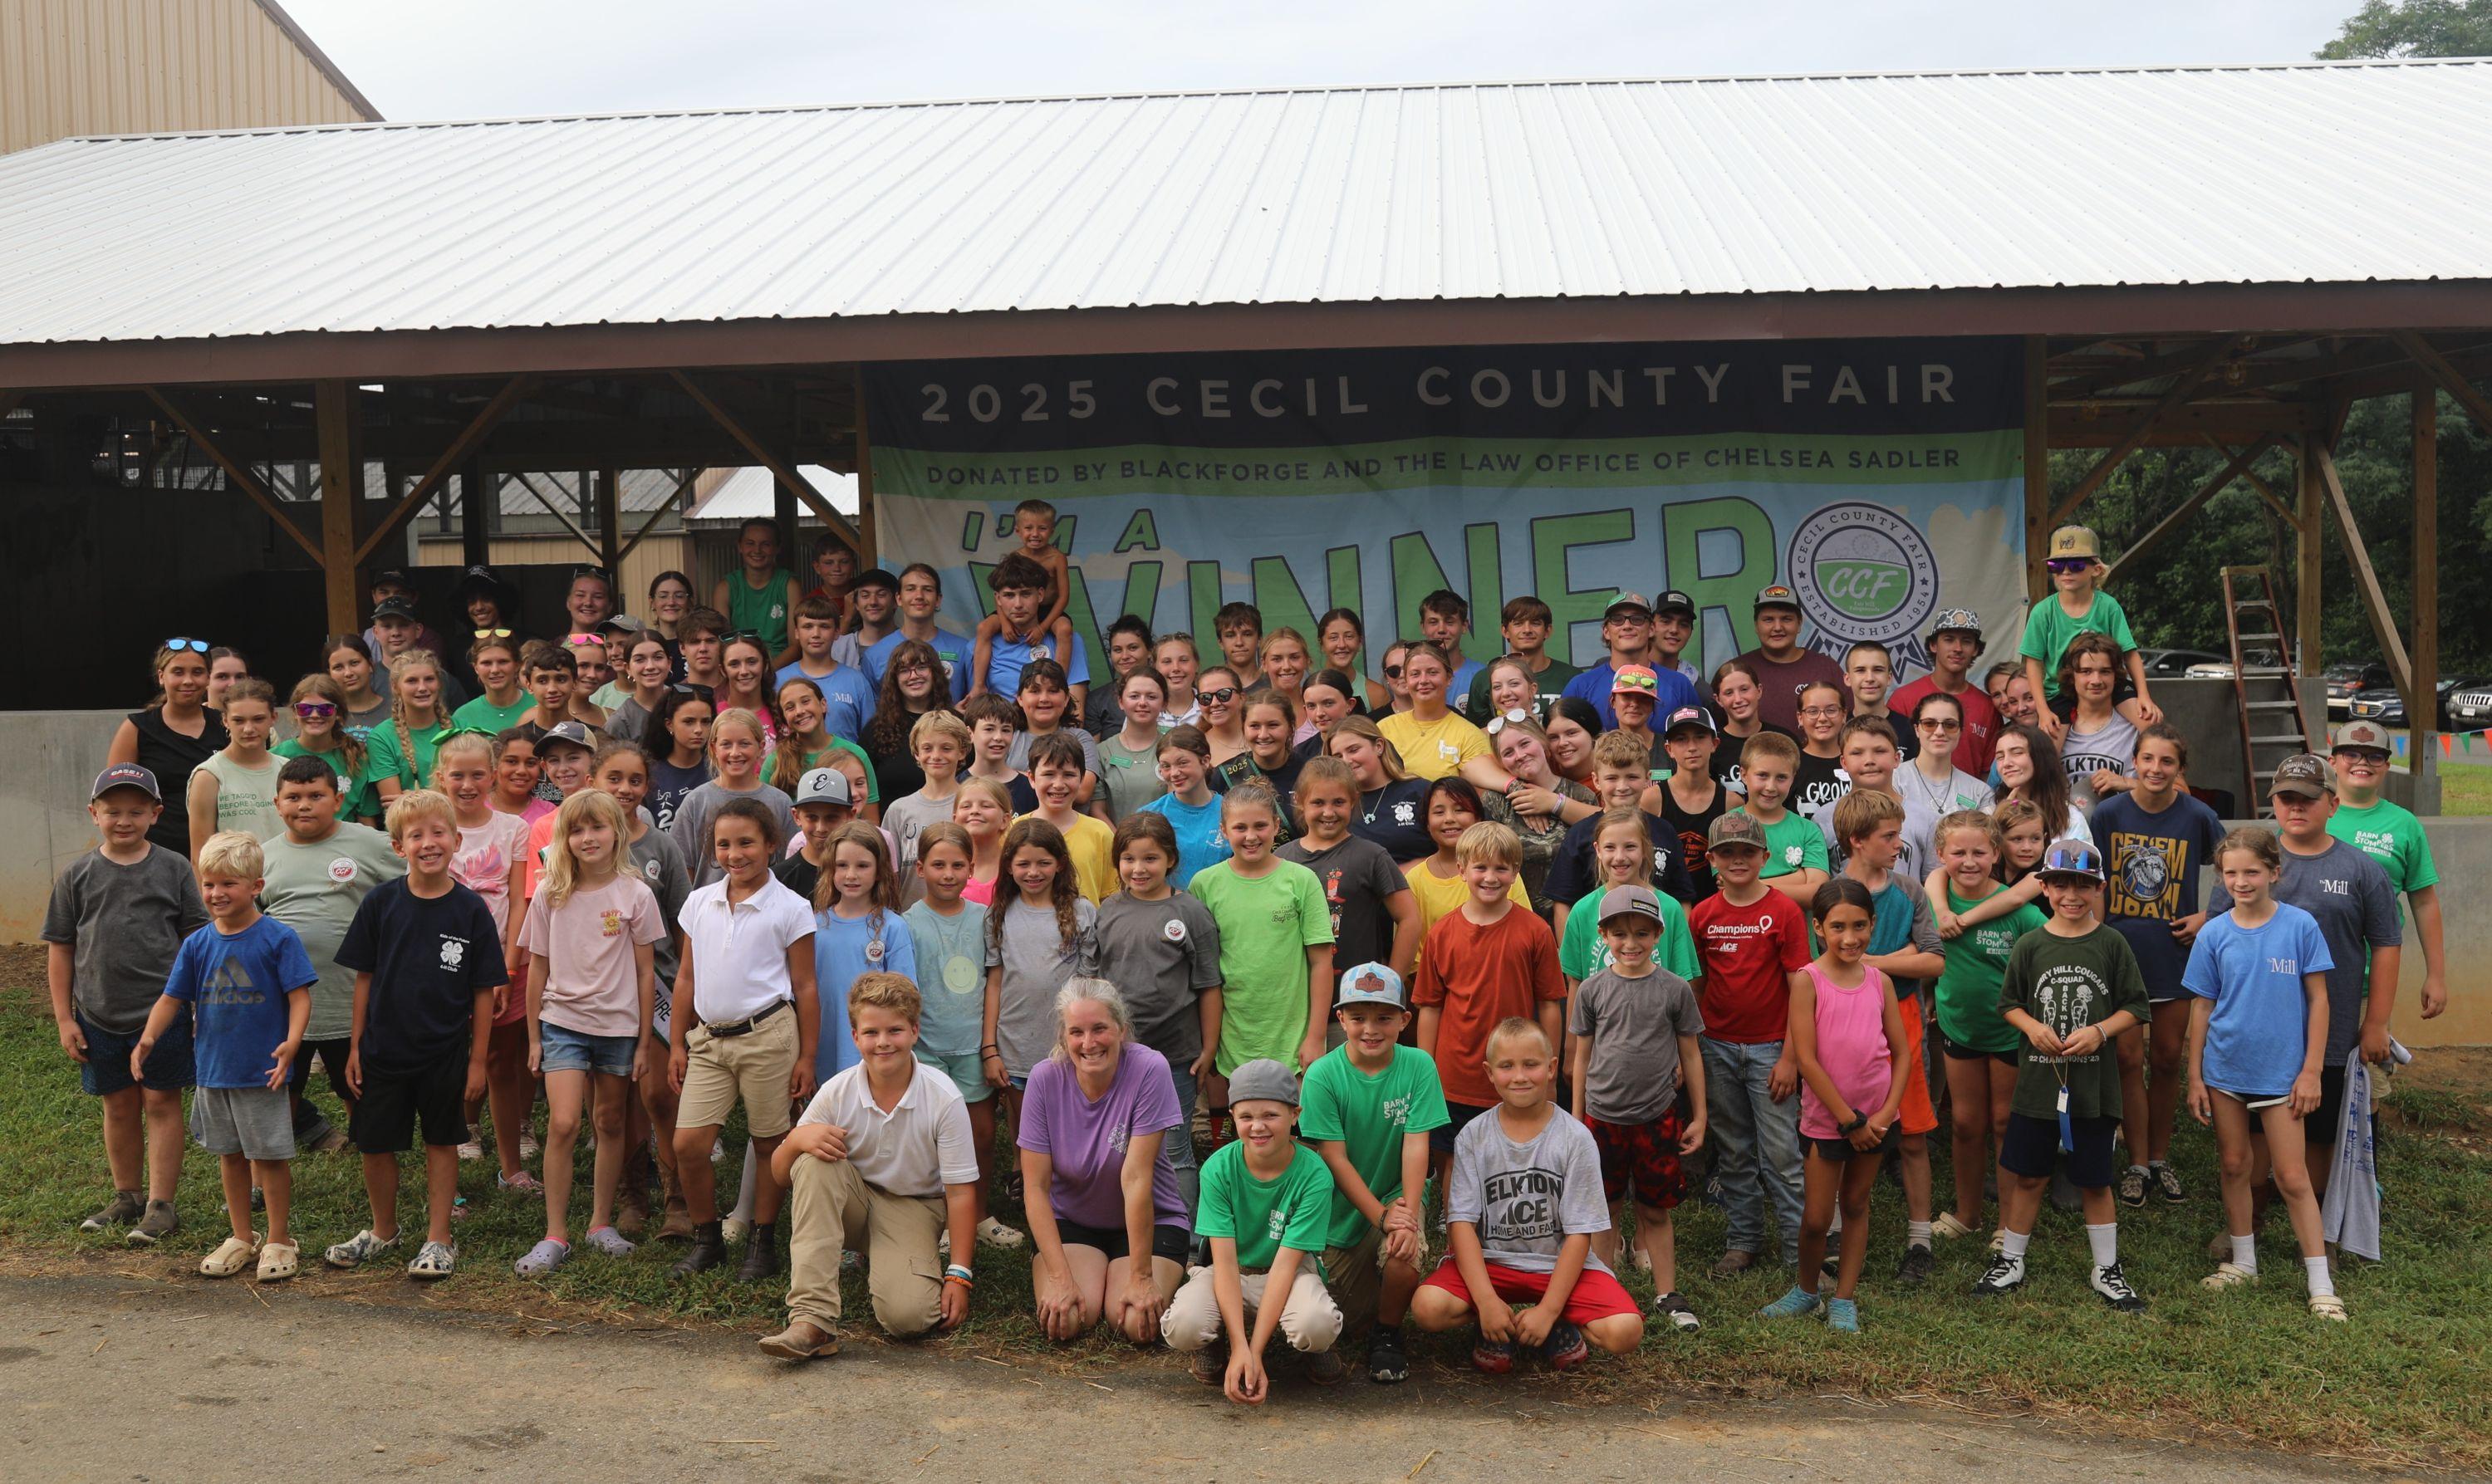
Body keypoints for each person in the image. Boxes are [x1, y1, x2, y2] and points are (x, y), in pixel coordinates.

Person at [322, 789, 504, 1279]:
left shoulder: (470, 911)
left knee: (441, 1142)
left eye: (438, 832)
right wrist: (356, 1046)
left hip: (445, 1052)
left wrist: (477, 1060)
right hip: (382, 1049)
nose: (428, 843)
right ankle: (383, 1231)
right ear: (398, 846)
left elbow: (485, 990)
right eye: (415, 835)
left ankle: (439, 1238)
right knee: (375, 1143)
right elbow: (363, 978)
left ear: (456, 839)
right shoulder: (381, 903)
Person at [758, 971, 982, 1360]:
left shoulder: (944, 1098)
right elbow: (781, 1175)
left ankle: (888, 1259)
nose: (883, 1042)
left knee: (909, 1318)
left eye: (895, 1030)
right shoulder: (837, 1090)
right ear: (855, 1035)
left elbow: (961, 1193)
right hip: (853, 1201)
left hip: (914, 1206)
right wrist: (795, 1140)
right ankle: (812, 1320)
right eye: (871, 1032)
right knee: (813, 1162)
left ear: (914, 1030)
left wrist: (959, 1274)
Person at [1974, 839, 2150, 1313]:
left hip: (2093, 1087)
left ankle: (2106, 1269)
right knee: (2028, 1176)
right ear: (2045, 888)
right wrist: (2031, 1027)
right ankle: (2011, 1260)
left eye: (2083, 885)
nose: (2072, 894)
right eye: (2061, 884)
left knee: (2095, 1181)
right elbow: (2009, 1003)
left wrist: (2099, 1031)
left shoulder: (2112, 943)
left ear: (2098, 889)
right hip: (2037, 1085)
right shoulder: (2031, 944)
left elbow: (2135, 1005)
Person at [1408, 1018, 1643, 1371]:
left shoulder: (1575, 1138)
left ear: (1550, 1069)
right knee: (1428, 1307)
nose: (1519, 1076)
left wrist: (1549, 1310)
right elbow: (1461, 1225)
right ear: (1489, 1073)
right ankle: (1493, 1325)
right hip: (1492, 1262)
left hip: (1559, 1266)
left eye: (1530, 1065)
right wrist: (1486, 1301)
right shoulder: (1473, 1136)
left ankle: (1559, 1323)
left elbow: (1581, 1234)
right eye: (1507, 1066)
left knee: (1625, 1331)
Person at [133, 830, 315, 1281]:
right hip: (214, 1071)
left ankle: (278, 1239)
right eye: (209, 883)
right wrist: (148, 1038)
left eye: (229, 884)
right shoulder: (197, 944)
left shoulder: (278, 938)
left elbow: (300, 996)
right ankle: (241, 1236)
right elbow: (172, 998)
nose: (216, 893)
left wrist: (293, 1042)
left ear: (256, 886)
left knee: (268, 1157)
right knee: (229, 1155)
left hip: (263, 1071)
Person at [46, 763, 209, 1246]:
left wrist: (196, 1006)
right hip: (98, 1014)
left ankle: (162, 1205)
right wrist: (63, 1017)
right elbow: (61, 947)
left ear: (156, 814)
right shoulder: (76, 874)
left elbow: (196, 938)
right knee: (117, 1106)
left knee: (161, 1101)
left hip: (163, 1011)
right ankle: (127, 1196)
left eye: (136, 811)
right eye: (112, 811)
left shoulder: (175, 867)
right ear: (93, 813)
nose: (123, 820)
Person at [2185, 827, 2342, 1319]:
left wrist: (2311, 1071)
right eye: (2231, 873)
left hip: (2283, 1075)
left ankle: (2320, 1283)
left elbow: (2319, 1001)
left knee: (2292, 1177)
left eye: (2251, 871)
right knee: (2235, 1165)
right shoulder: (2213, 932)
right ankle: (2243, 1261)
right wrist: (2195, 1076)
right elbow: (2202, 1007)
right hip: (2225, 1070)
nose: (2241, 881)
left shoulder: (2300, 927)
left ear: (2275, 872)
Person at [515, 790, 665, 1276]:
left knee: (610, 1121)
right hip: (562, 1022)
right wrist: (535, 1036)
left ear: (616, 832)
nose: (587, 838)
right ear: (564, 837)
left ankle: (601, 1223)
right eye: (577, 830)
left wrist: (644, 1042)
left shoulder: (636, 894)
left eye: (597, 827)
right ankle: (554, 1233)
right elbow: (537, 967)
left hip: (619, 1027)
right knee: (563, 1124)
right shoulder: (549, 892)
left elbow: (647, 972)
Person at [667, 799, 819, 1277]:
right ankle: (707, 1239)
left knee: (770, 1142)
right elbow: (686, 977)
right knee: (689, 1144)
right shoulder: (700, 901)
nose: (735, 854)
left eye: (747, 842)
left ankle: (763, 1239)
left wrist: (807, 1057)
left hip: (768, 1036)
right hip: (709, 1041)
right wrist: (676, 1042)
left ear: (772, 845)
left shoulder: (791, 908)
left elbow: (806, 986)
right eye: (724, 844)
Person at [1754, 879, 1906, 1332]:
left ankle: (1843, 1297)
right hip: (1830, 1123)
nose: (1850, 937)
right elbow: (1806, 1058)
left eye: (1860, 926)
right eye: (1838, 927)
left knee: (1857, 1204)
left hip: (1877, 1121)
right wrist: (1849, 1121)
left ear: (1873, 924)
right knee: (1818, 1217)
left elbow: (1901, 1053)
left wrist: (1882, 1115)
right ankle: (1805, 1289)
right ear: (1818, 927)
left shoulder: (1881, 981)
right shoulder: (1808, 980)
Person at [2088, 723, 2228, 1207]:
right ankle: (2137, 1162)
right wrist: (2096, 937)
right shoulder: (2108, 814)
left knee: (2167, 1058)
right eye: (2147, 759)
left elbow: (2235, 868)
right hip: (2121, 956)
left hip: (2175, 955)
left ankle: (2162, 1157)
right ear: (2134, 762)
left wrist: (2208, 916)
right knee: (2128, 1058)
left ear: (2180, 770)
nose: (2155, 769)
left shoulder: (2198, 816)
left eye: (2167, 762)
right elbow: (2093, 882)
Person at [1567, 884, 1708, 1332]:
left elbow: (1690, 1054)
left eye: (1643, 934)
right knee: (1604, 1207)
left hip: (1657, 1116)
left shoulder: (1674, 990)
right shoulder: (1591, 991)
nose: (1631, 944)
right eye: (1621, 934)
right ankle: (1605, 1290)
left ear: (1658, 935)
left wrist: (1700, 1115)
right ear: (1604, 935)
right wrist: (1574, 1120)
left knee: (1655, 1209)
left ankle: (1667, 1293)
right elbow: (1581, 1058)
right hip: (1601, 1118)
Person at [1019, 981, 1191, 1343]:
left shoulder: (1149, 1069)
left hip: (1152, 1219)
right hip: (1073, 1220)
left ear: (1121, 1030)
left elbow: (1136, 1178)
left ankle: (1155, 1271)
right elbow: (1035, 1187)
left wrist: (1142, 1278)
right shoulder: (1043, 1080)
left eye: (1100, 1029)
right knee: (1067, 1319)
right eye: (1076, 1032)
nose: (1089, 1042)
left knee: (1132, 1323)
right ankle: (1093, 1274)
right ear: (1064, 1038)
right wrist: (1060, 1279)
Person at [1163, 1057, 1347, 1396]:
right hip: (1228, 1272)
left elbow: (1284, 1266)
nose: (1258, 1127)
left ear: (1295, 1115)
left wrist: (1255, 1352)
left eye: (1270, 1115)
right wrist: (1240, 1348)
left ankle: (1313, 1350)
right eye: (1246, 1116)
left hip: (1287, 1273)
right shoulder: (1218, 1169)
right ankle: (1216, 1343)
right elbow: (1225, 1263)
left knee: (1316, 1324)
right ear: (1232, 1116)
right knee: (1183, 1324)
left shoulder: (1314, 1174)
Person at [1298, 963, 1445, 1383]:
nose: (1370, 1029)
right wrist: (1378, 1215)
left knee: (1404, 1250)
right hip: (1337, 1215)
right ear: (1340, 1018)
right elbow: (1334, 1157)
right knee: (1337, 1313)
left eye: (1383, 1017)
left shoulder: (1418, 1066)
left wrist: (1407, 1214)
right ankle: (1368, 1316)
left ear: (1404, 1019)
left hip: (1395, 1195)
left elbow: (1418, 1143)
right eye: (1358, 1017)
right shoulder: (1323, 1075)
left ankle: (1388, 1333)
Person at [1828, 789, 1945, 1283]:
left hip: (1903, 1017)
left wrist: (1875, 963)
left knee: (1914, 1134)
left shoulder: (1909, 891)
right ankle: (1834, 1235)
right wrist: (1892, 961)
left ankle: (1919, 1241)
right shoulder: (1833, 892)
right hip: (1840, 1022)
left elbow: (1934, 958)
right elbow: (1825, 961)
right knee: (1836, 1132)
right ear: (1857, 841)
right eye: (1889, 836)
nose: (1900, 844)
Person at [260, 755, 405, 1153]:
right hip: (285, 1005)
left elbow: (413, 890)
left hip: (350, 1002)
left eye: (315, 795)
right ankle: (268, 1166)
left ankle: (370, 1151)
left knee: (356, 1084)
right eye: (293, 797)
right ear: (277, 804)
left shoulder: (371, 843)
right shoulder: (264, 855)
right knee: (282, 1086)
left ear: (338, 800)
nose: (304, 805)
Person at [1690, 811, 1813, 1276]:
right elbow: (1697, 985)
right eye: (1727, 852)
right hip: (1717, 1046)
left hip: (1770, 1050)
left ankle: (1799, 1251)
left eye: (1747, 852)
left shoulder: (1783, 910)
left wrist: (1790, 1056)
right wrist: (1696, 1045)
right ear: (1712, 859)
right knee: (1734, 1151)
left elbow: (1800, 987)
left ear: (1765, 856)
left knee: (1781, 1155)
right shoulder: (1703, 914)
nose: (1737, 860)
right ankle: (1742, 1241)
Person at [1414, 822, 1563, 1178]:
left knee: (1517, 1161)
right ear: (1462, 870)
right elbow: (1430, 1006)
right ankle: (1454, 1227)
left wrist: (1549, 1070)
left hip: (1518, 1071)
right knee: (1453, 1158)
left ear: (1515, 872)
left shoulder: (1535, 931)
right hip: (1455, 1074)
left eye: (1501, 868)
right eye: (1481, 867)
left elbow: (1549, 1004)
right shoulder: (1442, 933)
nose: (1490, 877)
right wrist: (1427, 1070)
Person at [1095, 814, 1222, 1210]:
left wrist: (1208, 1049)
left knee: (1174, 1148)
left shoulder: (1190, 913)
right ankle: (1120, 1225)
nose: (1138, 868)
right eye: (1129, 859)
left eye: (1150, 858)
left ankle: (1184, 1241)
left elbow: (1209, 985)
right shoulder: (1107, 911)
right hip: (1117, 1054)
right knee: (1118, 1141)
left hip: (1176, 1055)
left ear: (1170, 859)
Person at [1926, 810, 2043, 1243]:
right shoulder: (1935, 900)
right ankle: (1967, 1213)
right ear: (1941, 854)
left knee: (2003, 1124)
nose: (1969, 861)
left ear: (1997, 853)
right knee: (1965, 1124)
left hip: (2010, 1035)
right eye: (1958, 852)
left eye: (1980, 851)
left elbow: (2049, 951)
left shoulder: (2021, 911)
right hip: (1960, 1029)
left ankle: (2008, 1224)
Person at [904, 822, 1020, 1250]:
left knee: (982, 1135)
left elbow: (994, 981)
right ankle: (935, 1214)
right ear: (920, 868)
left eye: (957, 865)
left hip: (973, 1046)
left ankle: (978, 1213)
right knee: (929, 1137)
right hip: (927, 1050)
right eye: (938, 865)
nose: (948, 874)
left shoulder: (985, 919)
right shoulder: (907, 924)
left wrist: (988, 1046)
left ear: (972, 868)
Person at [1192, 782, 1336, 1111]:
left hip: (1291, 1037)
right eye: (1240, 827)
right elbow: (1201, 970)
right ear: (1224, 830)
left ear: (1276, 825)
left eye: (1260, 826)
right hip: (1231, 1036)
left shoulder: (1301, 880)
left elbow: (1321, 962)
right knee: (1242, 1134)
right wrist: (1209, 1043)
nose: (1251, 836)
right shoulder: (1204, 884)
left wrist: (1315, 1036)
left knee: (1291, 1132)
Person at [983, 819, 1101, 1141]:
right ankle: (1025, 1179)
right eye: (1023, 864)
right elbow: (994, 982)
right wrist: (990, 1048)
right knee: (1027, 1127)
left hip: (1069, 1044)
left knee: (1071, 1124)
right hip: (1016, 1043)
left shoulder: (1082, 912)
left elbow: (1090, 983)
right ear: (1008, 866)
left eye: (1043, 863)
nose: (1033, 872)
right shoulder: (997, 915)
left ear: (1060, 864)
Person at [2328, 720, 2449, 1027]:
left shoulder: (2404, 824)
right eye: (2351, 754)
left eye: (2374, 756)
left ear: (2386, 766)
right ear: (2333, 761)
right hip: (2305, 973)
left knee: (2366, 1070)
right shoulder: (2309, 813)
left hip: (2370, 982)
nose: (2362, 764)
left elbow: (2424, 903)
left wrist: (2436, 975)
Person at [1279, 757, 1420, 992]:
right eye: (1318, 802)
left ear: (1353, 801)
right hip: (1297, 1002)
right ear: (1300, 802)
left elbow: (1410, 920)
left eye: (1338, 802)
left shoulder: (1372, 856)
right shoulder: (1282, 859)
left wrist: (1392, 984)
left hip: (1357, 1004)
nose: (1328, 812)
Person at [2018, 525, 2160, 742]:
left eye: (2075, 565)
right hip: (2059, 692)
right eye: (2057, 565)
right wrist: (2043, 710)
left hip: (2107, 685)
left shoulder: (2108, 606)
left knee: (2152, 724)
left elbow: (2130, 654)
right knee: (2048, 747)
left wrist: (2144, 695)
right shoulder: (2043, 611)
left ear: (2097, 569)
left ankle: (2171, 776)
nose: (2065, 572)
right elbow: (2033, 664)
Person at [807, 819, 916, 1090]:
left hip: (874, 1052)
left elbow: (904, 999)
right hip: (822, 1047)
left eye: (862, 866)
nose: (851, 875)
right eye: (842, 866)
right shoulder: (813, 925)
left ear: (879, 871)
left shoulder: (893, 927)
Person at [1543, 729, 1692, 923]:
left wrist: (1679, 945)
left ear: (1647, 779)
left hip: (1657, 945)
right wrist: (1568, 952)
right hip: (1595, 948)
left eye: (1632, 777)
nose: (1622, 786)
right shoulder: (1579, 834)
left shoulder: (1665, 831)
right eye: (1612, 778)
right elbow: (1563, 903)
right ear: (1596, 780)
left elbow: (1682, 898)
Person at [108, 639, 230, 858]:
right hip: (155, 857)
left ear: (207, 677)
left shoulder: (226, 725)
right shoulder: (137, 729)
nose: (188, 680)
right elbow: (113, 798)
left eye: (197, 672)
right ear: (162, 676)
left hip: (220, 856)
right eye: (178, 672)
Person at [1556, 809, 1700, 993]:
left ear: (1646, 849)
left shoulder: (1670, 909)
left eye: (1630, 847)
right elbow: (1576, 984)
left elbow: (1683, 984)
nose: (1619, 857)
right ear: (1598, 850)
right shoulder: (1582, 911)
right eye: (1610, 847)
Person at [1403, 778, 1532, 971]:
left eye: (1460, 810)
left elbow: (1525, 930)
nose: (1449, 819)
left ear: (1478, 817)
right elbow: (1414, 954)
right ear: (1427, 823)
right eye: (1439, 812)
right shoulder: (1415, 879)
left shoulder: (1500, 873)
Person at [670, 708, 797, 891]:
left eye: (744, 744)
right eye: (726, 745)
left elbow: (790, 862)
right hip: (711, 913)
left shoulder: (780, 802)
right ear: (713, 748)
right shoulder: (697, 801)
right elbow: (682, 869)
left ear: (761, 747)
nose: (735, 753)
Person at [972, 506, 1084, 698]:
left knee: (1065, 629)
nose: (1035, 534)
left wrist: (1043, 627)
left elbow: (1064, 597)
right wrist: (1005, 623)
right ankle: (979, 685)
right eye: (1028, 528)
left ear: (1052, 531)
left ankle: (1060, 684)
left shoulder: (1057, 558)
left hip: (1047, 609)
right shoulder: (1015, 557)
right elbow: (999, 590)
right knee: (984, 628)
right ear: (1017, 530)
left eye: (1042, 528)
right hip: (1014, 611)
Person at [1377, 641, 1509, 791]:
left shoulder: (1469, 734)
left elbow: (1481, 794)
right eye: (1415, 674)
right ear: (1407, 681)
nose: (1423, 680)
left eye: (1432, 672)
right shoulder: (1383, 728)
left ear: (1449, 679)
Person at [1890, 609, 2001, 776]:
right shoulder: (1903, 699)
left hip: (1970, 801)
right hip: (1909, 800)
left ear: (1976, 649)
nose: (1958, 648)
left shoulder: (1988, 707)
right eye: (1949, 640)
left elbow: (1989, 773)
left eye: (1966, 641)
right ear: (1933, 645)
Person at [1563, 591, 1695, 728]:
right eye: (1617, 619)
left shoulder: (1680, 685)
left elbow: (1699, 741)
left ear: (1651, 629)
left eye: (1637, 619)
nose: (1627, 626)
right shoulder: (1580, 686)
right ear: (1606, 631)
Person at [1729, 732, 1828, 907]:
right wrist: (1800, 878)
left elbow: (1818, 893)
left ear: (1793, 778)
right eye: (1762, 776)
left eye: (1781, 777)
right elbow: (1729, 889)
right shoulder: (1727, 826)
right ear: (1743, 775)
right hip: (1745, 931)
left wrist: (1752, 885)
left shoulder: (1808, 830)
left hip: (1797, 934)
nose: (1771, 787)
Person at [1896, 692, 1993, 869]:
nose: (1939, 732)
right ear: (1917, 729)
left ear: (1961, 731)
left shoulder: (1980, 792)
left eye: (1950, 725)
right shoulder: (1893, 781)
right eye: (1929, 724)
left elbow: (1986, 847)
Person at [188, 678, 282, 856]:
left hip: (286, 880)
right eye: (239, 720)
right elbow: (200, 854)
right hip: (233, 881)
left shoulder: (286, 769)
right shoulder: (209, 776)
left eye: (258, 719)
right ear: (225, 721)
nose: (248, 729)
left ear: (273, 718)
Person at [1734, 584, 1844, 734]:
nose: (1778, 627)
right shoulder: (1737, 671)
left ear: (1799, 624)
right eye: (1768, 620)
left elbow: (1849, 725)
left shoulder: (1826, 668)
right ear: (1756, 625)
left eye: (1786, 619)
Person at [1023, 731, 1116, 902]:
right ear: (1032, 778)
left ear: (1081, 778)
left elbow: (1109, 897)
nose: (1058, 784)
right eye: (1049, 774)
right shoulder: (1013, 831)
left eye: (1069, 775)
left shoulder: (1100, 833)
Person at [861, 638, 958, 801]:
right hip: (891, 824)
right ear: (894, 678)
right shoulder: (876, 730)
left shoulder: (956, 724)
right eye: (904, 670)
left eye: (921, 667)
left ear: (935, 672)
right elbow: (866, 790)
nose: (914, 676)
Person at [274, 675, 377, 827]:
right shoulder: (276, 757)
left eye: (325, 709)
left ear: (338, 714)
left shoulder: (356, 758)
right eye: (305, 709)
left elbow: (367, 822)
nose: (315, 715)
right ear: (295, 713)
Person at [1327, 715, 1432, 862]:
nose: (1346, 761)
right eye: (1338, 756)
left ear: (1379, 746)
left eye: (1353, 750)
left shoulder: (1421, 791)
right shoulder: (1335, 804)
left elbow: (1452, 851)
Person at [865, 562, 975, 701]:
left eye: (927, 589)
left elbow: (975, 707)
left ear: (938, 600)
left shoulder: (963, 649)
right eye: (910, 589)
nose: (919, 596)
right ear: (898, 599)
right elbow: (873, 715)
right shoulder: (875, 655)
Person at [775, 596, 878, 742]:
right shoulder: (779, 680)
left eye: (824, 626)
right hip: (795, 763)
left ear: (837, 632)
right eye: (808, 626)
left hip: (846, 763)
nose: (816, 634)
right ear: (796, 632)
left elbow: (871, 738)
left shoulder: (856, 681)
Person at [882, 710, 970, 879]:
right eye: (927, 748)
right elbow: (888, 876)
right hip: (909, 906)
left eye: (946, 748)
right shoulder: (898, 810)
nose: (936, 756)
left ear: (962, 752)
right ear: (917, 753)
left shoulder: (971, 805)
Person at [1138, 726, 1230, 887]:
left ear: (1205, 761)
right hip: (1168, 909)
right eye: (1166, 766)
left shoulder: (1231, 811)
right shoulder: (1149, 816)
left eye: (1182, 763)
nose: (1174, 773)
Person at [1463, 595, 1581, 721]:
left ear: (1547, 630)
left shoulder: (1573, 677)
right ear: (1505, 631)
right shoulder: (1484, 678)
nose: (1527, 630)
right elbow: (1475, 735)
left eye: (1535, 623)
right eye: (1518, 624)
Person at [1656, 706, 1732, 899]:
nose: (1692, 747)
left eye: (1700, 737)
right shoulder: (1652, 799)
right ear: (1669, 749)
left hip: (1714, 909)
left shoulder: (1731, 802)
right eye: (1681, 739)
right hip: (1665, 908)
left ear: (1714, 743)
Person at [2056, 634, 2139, 807]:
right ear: (2072, 677)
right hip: (2068, 830)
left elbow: (2177, 791)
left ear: (2116, 677)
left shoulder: (2136, 728)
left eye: (2105, 672)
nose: (2096, 680)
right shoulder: (2056, 728)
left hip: (2120, 828)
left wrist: (2128, 783)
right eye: (2086, 671)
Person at [713, 517, 804, 664]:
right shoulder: (726, 587)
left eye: (765, 544)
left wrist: (768, 673)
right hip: (740, 665)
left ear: (777, 547)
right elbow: (722, 643)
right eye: (750, 543)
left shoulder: (789, 585)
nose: (757, 550)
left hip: (780, 666)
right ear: (740, 546)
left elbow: (797, 644)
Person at [368, 652, 455, 806]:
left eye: (429, 679)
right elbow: (396, 809)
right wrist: (444, 798)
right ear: (396, 687)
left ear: (439, 683)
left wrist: (416, 798)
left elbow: (474, 794)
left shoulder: (461, 727)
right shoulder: (381, 737)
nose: (422, 688)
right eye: (412, 681)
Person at [1994, 723, 2090, 845]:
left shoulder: (2070, 818)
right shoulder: (1991, 811)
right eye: (2000, 757)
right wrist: (1998, 822)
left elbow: (2079, 862)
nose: (2006, 763)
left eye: (2017, 753)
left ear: (2040, 757)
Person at [1097, 666, 1172, 821]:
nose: (1143, 703)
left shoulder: (1174, 748)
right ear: (1120, 702)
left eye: (1151, 697)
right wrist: (1123, 843)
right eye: (1134, 696)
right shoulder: (1102, 752)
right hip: (1118, 842)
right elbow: (1097, 811)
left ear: (1164, 703)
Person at [1706, 658, 1790, 793]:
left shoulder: (1783, 740)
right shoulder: (1711, 747)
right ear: (1718, 700)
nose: (1738, 699)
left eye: (1744, 689)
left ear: (1759, 690)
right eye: (1729, 693)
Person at [645, 687, 715, 835]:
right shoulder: (649, 772)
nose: (698, 730)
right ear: (669, 724)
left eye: (706, 722)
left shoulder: (718, 771)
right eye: (689, 722)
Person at [1788, 679, 1852, 826]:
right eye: (1812, 711)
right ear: (1800, 717)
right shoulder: (1789, 766)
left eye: (1831, 710)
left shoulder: (1859, 761)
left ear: (1843, 715)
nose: (1822, 718)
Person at [1842, 641, 1916, 763]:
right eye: (1860, 670)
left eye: (1878, 670)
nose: (1870, 678)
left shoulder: (1910, 730)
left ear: (1889, 678)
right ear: (1847, 678)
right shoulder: (1838, 729)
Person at [603, 633, 677, 748]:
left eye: (658, 657)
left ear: (669, 663)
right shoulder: (620, 722)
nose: (650, 666)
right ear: (628, 668)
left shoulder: (683, 706)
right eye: (640, 659)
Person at [452, 633, 532, 736]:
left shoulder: (539, 705)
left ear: (517, 665)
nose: (495, 670)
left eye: (503, 662)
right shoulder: (462, 716)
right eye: (487, 663)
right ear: (476, 668)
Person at [324, 634, 394, 739]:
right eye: (338, 667)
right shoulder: (324, 715)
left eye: (354, 663)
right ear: (329, 673)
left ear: (370, 665)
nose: (348, 673)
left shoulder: (396, 711)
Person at [831, 566, 900, 671]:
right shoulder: (839, 648)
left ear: (896, 601)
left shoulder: (911, 644)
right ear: (856, 604)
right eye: (865, 595)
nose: (873, 602)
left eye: (881, 595)